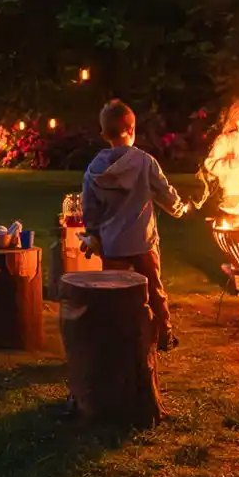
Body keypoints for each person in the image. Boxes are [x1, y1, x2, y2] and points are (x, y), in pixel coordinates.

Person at [81, 98, 192, 352]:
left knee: (115, 295)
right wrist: (179, 208)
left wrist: (93, 234)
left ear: (103, 133)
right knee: (154, 291)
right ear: (131, 129)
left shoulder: (93, 171)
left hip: (113, 245)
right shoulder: (144, 162)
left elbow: (90, 209)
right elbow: (164, 193)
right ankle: (165, 336)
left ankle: (117, 339)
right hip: (143, 243)